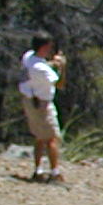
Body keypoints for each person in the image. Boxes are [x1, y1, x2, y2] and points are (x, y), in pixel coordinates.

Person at [19, 31, 67, 183]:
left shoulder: (28, 57)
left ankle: (38, 170)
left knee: (39, 137)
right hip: (42, 104)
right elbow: (60, 84)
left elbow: (43, 65)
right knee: (52, 138)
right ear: (44, 47)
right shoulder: (42, 69)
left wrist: (53, 63)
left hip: (30, 100)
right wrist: (62, 66)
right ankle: (54, 172)